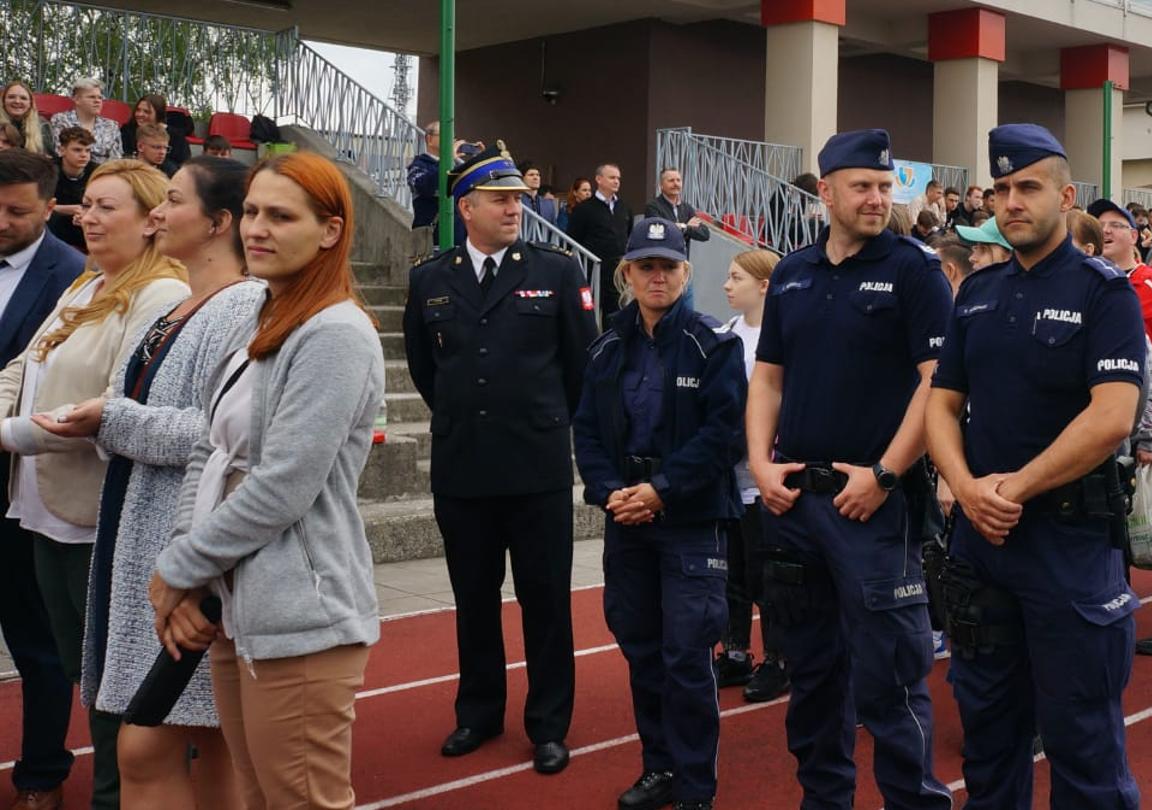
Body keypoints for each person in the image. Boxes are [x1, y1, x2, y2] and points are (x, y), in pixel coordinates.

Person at [147, 151, 382, 809]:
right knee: (255, 797)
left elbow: (283, 485)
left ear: (330, 231)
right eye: (251, 211)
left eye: (281, 216)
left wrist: (179, 569)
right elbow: (207, 447)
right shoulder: (261, 318)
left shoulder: (336, 333)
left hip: (300, 616)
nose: (256, 228)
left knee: (302, 802)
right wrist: (186, 568)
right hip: (237, 609)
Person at [33, 156, 262, 809]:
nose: (157, 213)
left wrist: (114, 419)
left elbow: (225, 437)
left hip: (187, 557)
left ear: (218, 223)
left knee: (149, 746)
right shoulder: (189, 303)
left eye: (173, 200)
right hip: (149, 546)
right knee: (213, 748)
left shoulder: (240, 306)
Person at [924, 123, 1143, 805]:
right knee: (988, 733)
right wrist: (962, 486)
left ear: (1066, 196)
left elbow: (1111, 417)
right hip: (981, 546)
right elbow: (940, 405)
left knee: (1083, 740)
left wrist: (1010, 489)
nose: (1011, 201)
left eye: (1027, 187)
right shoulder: (978, 297)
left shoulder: (1103, 293)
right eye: (1000, 189)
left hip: (1067, 544)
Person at [746, 129, 953, 810]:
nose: (876, 198)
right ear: (826, 190)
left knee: (891, 683)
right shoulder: (795, 273)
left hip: (872, 509)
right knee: (813, 677)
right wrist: (760, 464)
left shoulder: (914, 270)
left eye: (885, 187)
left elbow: (938, 385)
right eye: (862, 186)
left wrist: (886, 474)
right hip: (796, 506)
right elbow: (768, 379)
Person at [0, 158, 190, 808]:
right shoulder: (87, 284)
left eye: (107, 207)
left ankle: (122, 796)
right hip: (44, 507)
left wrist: (10, 435)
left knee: (117, 680)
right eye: (88, 206)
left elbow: (114, 404)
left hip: (99, 516)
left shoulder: (158, 294)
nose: (87, 216)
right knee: (85, 672)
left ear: (149, 222)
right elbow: (24, 368)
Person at [402, 143, 596, 773]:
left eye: (517, 197)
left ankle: (548, 723)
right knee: (474, 600)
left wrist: (543, 423)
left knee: (545, 602)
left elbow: (579, 368)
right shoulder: (431, 277)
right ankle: (478, 713)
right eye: (501, 199)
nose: (516, 208)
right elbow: (427, 369)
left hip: (535, 466)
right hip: (464, 467)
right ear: (467, 207)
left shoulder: (558, 270)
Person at [572, 218, 744, 810]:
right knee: (642, 650)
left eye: (668, 266)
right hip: (627, 521)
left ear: (685, 273)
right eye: (645, 266)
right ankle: (659, 768)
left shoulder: (711, 344)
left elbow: (724, 436)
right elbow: (588, 432)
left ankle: (696, 786)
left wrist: (661, 490)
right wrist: (609, 490)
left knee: (688, 658)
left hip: (690, 522)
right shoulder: (606, 347)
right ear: (626, 274)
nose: (657, 276)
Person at [0, 148, 87, 810]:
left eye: (16, 211)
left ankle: (41, 775)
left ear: (50, 207)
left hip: (22, 491)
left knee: (39, 645)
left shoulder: (73, 278)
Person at [710, 248, 790, 704]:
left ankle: (778, 658)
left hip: (767, 476)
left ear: (763, 285)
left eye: (735, 277)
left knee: (770, 575)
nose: (726, 285)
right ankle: (736, 650)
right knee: (732, 572)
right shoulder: (725, 335)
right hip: (731, 478)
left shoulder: (782, 340)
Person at [1090, 199, 1152, 425]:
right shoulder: (1082, 282)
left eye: (1115, 225)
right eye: (1100, 225)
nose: (1105, 230)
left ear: (1134, 237)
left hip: (1132, 420)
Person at [567, 162, 635, 317]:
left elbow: (628, 234)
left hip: (618, 272)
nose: (616, 181)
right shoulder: (584, 209)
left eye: (618, 178)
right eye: (612, 177)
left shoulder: (624, 208)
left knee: (616, 314)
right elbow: (573, 239)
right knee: (590, 314)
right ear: (599, 179)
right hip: (593, 272)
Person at [47, 79, 121, 164]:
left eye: (100, 97)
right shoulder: (61, 120)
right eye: (92, 97)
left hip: (103, 173)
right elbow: (59, 152)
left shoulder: (111, 125)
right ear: (77, 99)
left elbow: (116, 158)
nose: (97, 101)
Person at [49, 127, 95, 252]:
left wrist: (86, 213)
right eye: (77, 150)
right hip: (54, 229)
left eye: (88, 150)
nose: (84, 155)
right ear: (62, 150)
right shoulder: (46, 171)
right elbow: (36, 206)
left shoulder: (97, 173)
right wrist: (66, 210)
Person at [644, 168, 712, 245]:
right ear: (661, 185)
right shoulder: (653, 206)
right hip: (661, 255)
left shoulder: (687, 208)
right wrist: (686, 226)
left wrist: (684, 228)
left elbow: (705, 234)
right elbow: (660, 231)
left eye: (678, 180)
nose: (676, 184)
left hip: (681, 255)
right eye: (671, 180)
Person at [119, 94, 189, 168]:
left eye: (147, 112)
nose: (140, 114)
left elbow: (184, 164)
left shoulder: (176, 136)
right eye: (138, 110)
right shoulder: (127, 130)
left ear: (159, 114)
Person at [407, 120, 447, 229]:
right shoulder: (418, 166)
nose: (449, 139)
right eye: (444, 134)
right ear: (429, 139)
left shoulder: (456, 165)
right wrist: (447, 160)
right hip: (431, 238)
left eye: (451, 135)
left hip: (458, 240)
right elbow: (426, 187)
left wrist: (479, 158)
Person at [3, 81, 54, 157]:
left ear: (30, 103)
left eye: (23, 98)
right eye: (11, 97)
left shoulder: (42, 125)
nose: (17, 101)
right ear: (3, 101)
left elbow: (49, 157)